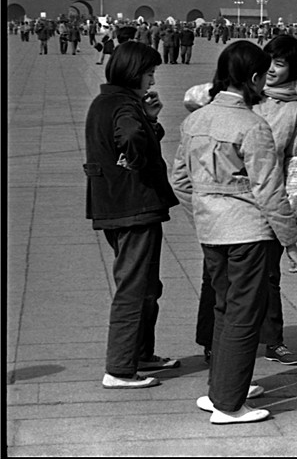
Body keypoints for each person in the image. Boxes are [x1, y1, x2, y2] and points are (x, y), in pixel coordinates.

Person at [171, 41, 297, 425]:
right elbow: (269, 189)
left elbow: (180, 179)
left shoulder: (195, 120)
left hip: (212, 230)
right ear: (253, 77)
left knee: (224, 309)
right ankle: (229, 403)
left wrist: (205, 209)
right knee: (245, 314)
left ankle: (222, 387)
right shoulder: (252, 125)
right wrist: (290, 240)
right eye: (263, 75)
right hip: (246, 230)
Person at [84, 41, 180, 390]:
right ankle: (120, 367)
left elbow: (132, 132)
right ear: (135, 72)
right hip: (132, 206)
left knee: (146, 286)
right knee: (134, 287)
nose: (152, 82)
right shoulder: (124, 105)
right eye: (150, 73)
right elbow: (130, 136)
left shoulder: (105, 101)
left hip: (115, 204)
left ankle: (140, 352)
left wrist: (150, 119)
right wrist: (136, 159)